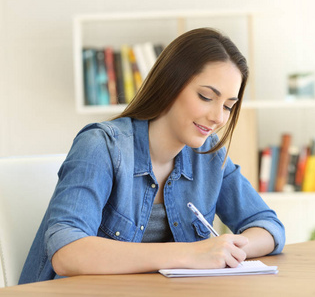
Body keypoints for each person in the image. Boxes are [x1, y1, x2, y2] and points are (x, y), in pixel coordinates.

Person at [19, 28, 285, 284]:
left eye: (228, 106)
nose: (218, 117)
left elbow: (268, 227)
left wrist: (226, 250)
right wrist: (191, 254)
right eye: (206, 97)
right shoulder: (102, 146)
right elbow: (68, 252)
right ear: (171, 84)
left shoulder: (208, 154)